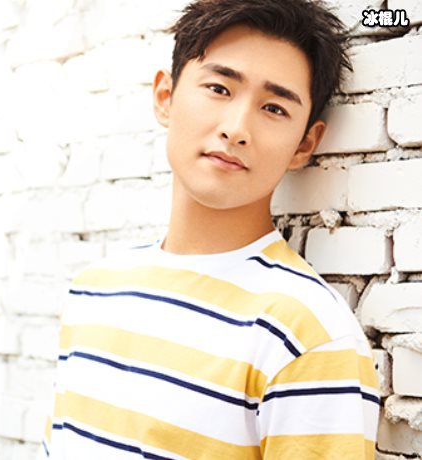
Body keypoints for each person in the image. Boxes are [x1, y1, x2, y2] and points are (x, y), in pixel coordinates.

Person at [41, 0, 380, 458]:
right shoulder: (93, 290)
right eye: (219, 88)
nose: (236, 129)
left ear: (305, 144)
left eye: (274, 108)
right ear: (165, 96)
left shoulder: (306, 333)